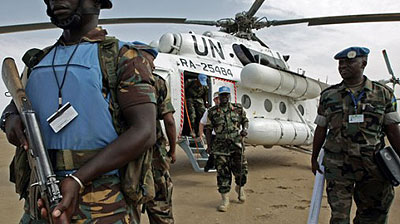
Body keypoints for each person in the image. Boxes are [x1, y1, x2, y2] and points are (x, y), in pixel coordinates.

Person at [0, 0, 157, 223]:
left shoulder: (123, 58)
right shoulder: (38, 61)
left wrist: (77, 179)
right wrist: (9, 120)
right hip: (39, 201)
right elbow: (14, 105)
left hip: (103, 206)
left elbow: (144, 131)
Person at [311, 46, 400, 224]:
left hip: (373, 166)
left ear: (363, 63)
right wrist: (314, 158)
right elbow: (321, 128)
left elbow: (392, 130)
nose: (343, 66)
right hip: (338, 166)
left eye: (349, 62)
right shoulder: (329, 96)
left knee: (374, 215)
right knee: (339, 217)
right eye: (341, 63)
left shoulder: (383, 94)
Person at [205, 86, 249, 212]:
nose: (224, 97)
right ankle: (225, 199)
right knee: (223, 173)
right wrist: (209, 146)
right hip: (220, 147)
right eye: (222, 95)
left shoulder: (238, 109)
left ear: (229, 96)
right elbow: (208, 129)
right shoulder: (212, 112)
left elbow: (245, 120)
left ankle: (240, 188)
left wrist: (244, 129)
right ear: (218, 96)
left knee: (241, 170)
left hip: (236, 145)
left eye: (226, 95)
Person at [199, 92, 219, 172]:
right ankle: (209, 165)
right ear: (214, 100)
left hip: (226, 136)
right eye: (216, 99)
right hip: (214, 136)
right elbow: (202, 123)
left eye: (219, 98)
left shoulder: (230, 109)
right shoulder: (210, 111)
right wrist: (201, 135)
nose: (218, 101)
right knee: (213, 153)